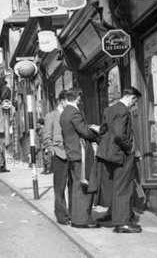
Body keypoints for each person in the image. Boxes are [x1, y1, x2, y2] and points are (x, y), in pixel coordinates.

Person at [96, 86, 143, 234]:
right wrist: (130, 149)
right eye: (134, 102)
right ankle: (122, 223)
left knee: (114, 185)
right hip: (121, 154)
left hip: (109, 154)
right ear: (132, 97)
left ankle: (115, 215)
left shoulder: (109, 109)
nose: (133, 105)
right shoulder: (123, 111)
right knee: (123, 187)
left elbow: (103, 130)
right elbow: (119, 134)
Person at [59, 87, 100, 229]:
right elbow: (84, 132)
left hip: (71, 153)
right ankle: (83, 220)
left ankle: (76, 218)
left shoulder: (64, 113)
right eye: (80, 98)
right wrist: (95, 132)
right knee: (84, 185)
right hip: (80, 153)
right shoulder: (75, 113)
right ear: (77, 97)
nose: (81, 100)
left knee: (76, 186)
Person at [43, 90, 71, 225]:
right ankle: (61, 215)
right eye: (67, 100)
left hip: (71, 153)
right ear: (61, 101)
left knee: (73, 186)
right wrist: (53, 151)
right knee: (60, 187)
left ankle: (72, 213)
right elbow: (46, 138)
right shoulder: (51, 116)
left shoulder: (70, 114)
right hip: (59, 155)